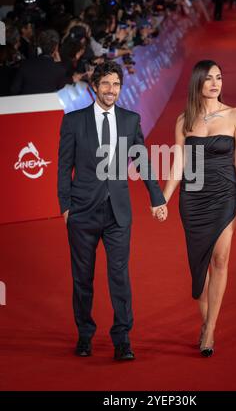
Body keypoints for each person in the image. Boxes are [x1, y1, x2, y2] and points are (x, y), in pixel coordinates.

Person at [57, 61, 167, 361]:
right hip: (82, 212)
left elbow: (142, 161)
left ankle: (122, 338)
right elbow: (64, 166)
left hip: (118, 213)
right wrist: (65, 206)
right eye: (105, 84)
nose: (111, 90)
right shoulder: (74, 121)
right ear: (94, 87)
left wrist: (156, 198)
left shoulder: (130, 120)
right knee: (83, 277)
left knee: (119, 276)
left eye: (116, 84)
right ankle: (84, 334)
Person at [159, 60, 236, 357]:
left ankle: (210, 330)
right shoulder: (183, 121)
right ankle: (206, 322)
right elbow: (179, 164)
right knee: (199, 270)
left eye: (219, 78)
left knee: (221, 258)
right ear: (197, 84)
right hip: (193, 197)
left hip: (226, 193)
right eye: (208, 79)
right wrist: (163, 197)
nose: (215, 83)